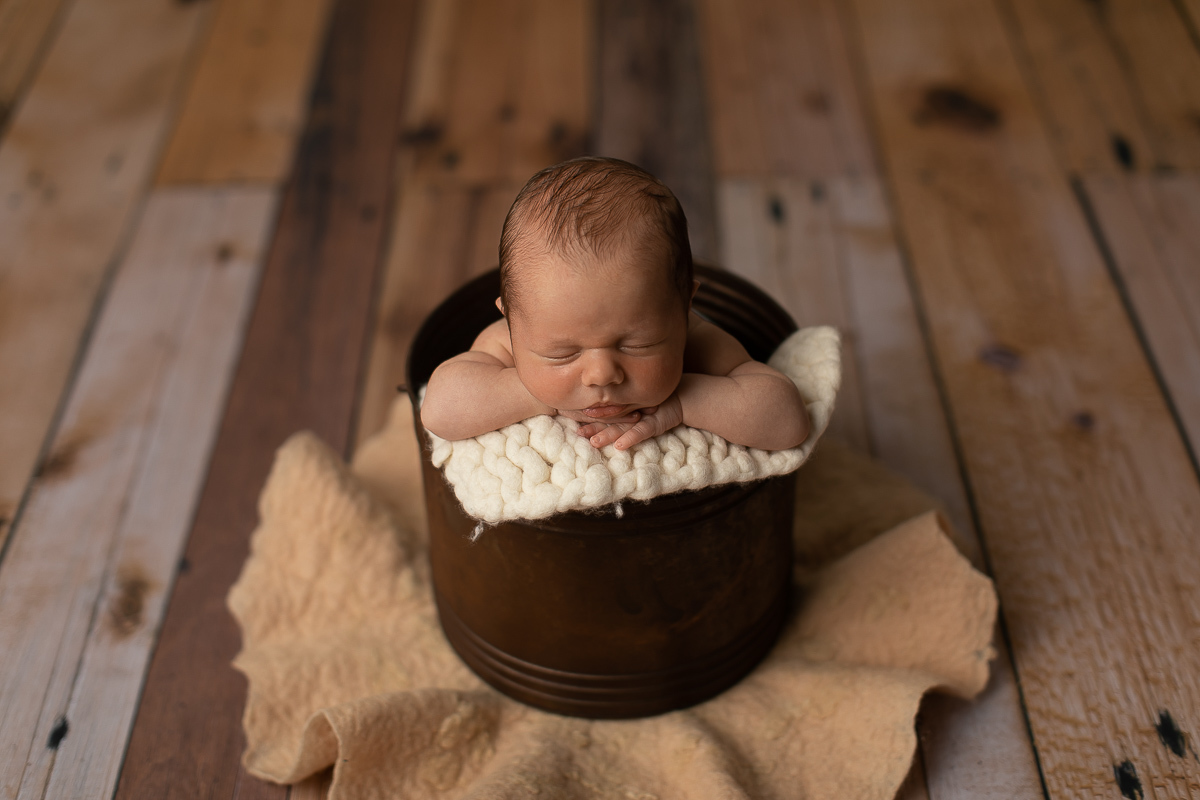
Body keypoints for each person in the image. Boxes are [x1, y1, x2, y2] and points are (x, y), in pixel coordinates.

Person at [420, 157, 809, 452]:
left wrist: (684, 403)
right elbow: (439, 410)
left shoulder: (699, 342)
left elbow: (787, 420)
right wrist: (533, 394)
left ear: (683, 309)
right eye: (562, 353)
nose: (601, 374)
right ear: (510, 319)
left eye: (635, 345)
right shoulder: (505, 344)